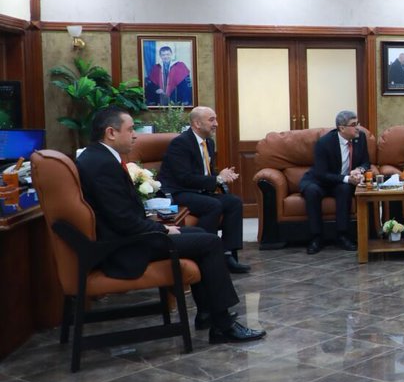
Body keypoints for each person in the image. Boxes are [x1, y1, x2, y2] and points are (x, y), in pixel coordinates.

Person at [75, 107, 264, 343]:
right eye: (131, 129)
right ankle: (223, 325)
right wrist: (162, 229)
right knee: (211, 241)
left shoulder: (97, 157)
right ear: (111, 133)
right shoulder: (102, 164)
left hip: (129, 237)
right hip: (127, 247)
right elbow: (123, 220)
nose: (135, 135)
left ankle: (207, 313)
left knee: (197, 233)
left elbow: (121, 213)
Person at [158, 106, 250, 275]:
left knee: (234, 202)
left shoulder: (208, 142)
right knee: (212, 205)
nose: (216, 123)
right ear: (197, 123)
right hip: (178, 192)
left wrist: (219, 176)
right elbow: (184, 177)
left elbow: (205, 172)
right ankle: (205, 254)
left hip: (197, 190)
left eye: (215, 119)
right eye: (211, 120)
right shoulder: (181, 143)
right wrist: (217, 179)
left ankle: (228, 254)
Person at [299, 110, 371, 255]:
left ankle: (342, 235)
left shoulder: (360, 138)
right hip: (319, 180)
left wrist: (359, 170)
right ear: (341, 128)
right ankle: (316, 238)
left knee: (344, 190)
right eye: (353, 124)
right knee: (312, 191)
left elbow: (366, 161)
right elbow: (321, 174)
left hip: (340, 182)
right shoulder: (324, 143)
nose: (358, 127)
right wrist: (347, 178)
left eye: (358, 123)